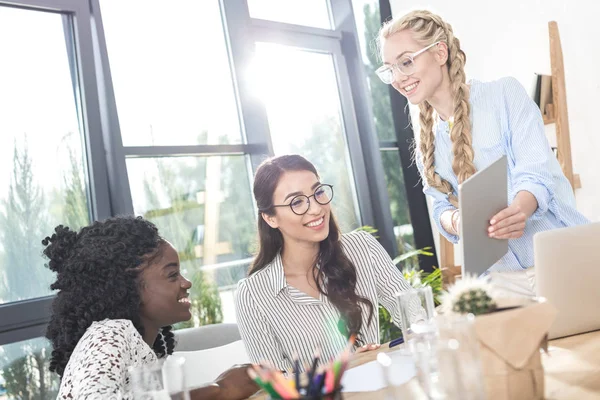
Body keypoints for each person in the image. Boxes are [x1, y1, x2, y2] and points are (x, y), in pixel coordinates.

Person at [376, 10, 589, 273]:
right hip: (502, 281)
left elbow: (535, 173)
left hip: (565, 258)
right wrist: (456, 221)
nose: (397, 78)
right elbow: (439, 206)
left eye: (406, 62)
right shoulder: (426, 145)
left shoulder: (503, 96)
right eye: (389, 69)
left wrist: (519, 211)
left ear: (440, 53)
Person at [42, 216, 258, 400]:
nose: (186, 283)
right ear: (126, 287)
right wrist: (219, 390)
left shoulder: (142, 344)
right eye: (172, 275)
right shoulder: (109, 334)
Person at [234, 154, 413, 372]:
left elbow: (414, 316)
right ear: (270, 218)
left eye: (318, 192)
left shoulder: (362, 247)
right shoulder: (253, 295)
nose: (317, 208)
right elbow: (278, 386)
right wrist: (341, 370)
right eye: (297, 202)